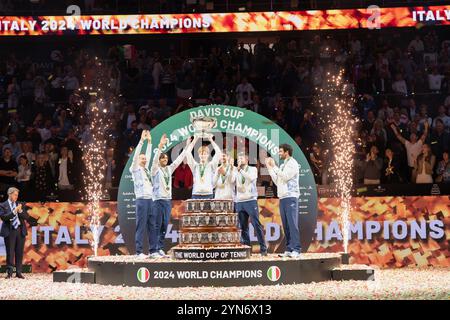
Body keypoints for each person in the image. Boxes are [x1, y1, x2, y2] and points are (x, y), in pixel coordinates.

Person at [151, 134, 189, 257]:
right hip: (158, 200)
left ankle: (160, 248)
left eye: (166, 158)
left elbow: (179, 159)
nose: (165, 160)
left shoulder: (169, 169)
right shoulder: (155, 169)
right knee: (156, 225)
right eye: (162, 158)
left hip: (167, 201)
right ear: (159, 160)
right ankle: (153, 250)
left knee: (164, 225)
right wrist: (160, 146)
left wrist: (187, 145)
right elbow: (155, 159)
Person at [266, 144, 301, 258]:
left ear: (287, 152)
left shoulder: (292, 163)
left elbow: (285, 177)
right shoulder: (282, 165)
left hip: (291, 196)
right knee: (286, 225)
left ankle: (296, 249)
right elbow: (278, 181)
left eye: (281, 151)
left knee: (292, 224)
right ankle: (289, 248)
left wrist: (274, 166)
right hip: (283, 197)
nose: (279, 153)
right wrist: (270, 168)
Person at [129, 130, 159, 259]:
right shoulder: (135, 169)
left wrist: (150, 142)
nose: (144, 159)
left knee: (152, 225)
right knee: (141, 226)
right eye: (142, 158)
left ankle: (153, 251)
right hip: (141, 200)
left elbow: (148, 155)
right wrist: (142, 141)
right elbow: (136, 156)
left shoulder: (146, 169)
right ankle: (139, 251)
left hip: (150, 199)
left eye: (145, 157)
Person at [235, 152, 267, 256]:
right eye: (239, 158)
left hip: (250, 200)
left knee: (256, 224)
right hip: (239, 201)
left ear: (247, 160)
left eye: (242, 158)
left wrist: (241, 170)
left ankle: (263, 249)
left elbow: (251, 178)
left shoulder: (253, 169)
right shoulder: (236, 171)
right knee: (243, 227)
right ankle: (247, 250)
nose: (240, 159)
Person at [0, 187, 29, 279]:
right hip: (10, 230)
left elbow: (26, 216)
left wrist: (20, 211)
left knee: (19, 252)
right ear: (10, 194)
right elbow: (4, 217)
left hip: (20, 230)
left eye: (17, 195)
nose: (16, 197)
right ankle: (9, 273)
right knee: (10, 252)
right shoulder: (2, 205)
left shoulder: (20, 204)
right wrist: (14, 211)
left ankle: (19, 272)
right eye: (15, 195)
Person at [185, 135, 222, 199]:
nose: (203, 155)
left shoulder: (211, 165)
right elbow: (188, 153)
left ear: (208, 155)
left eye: (205, 154)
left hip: (208, 194)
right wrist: (195, 139)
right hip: (196, 194)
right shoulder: (195, 166)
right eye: (201, 154)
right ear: (198, 155)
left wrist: (211, 140)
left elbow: (218, 153)